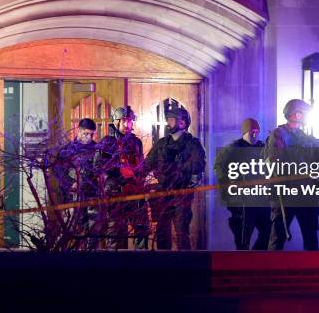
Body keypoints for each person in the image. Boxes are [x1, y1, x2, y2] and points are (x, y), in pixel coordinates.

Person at [263, 99, 319, 251]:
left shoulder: (306, 138)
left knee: (311, 237)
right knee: (278, 236)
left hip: (306, 194)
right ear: (297, 115)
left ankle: (312, 273)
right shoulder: (278, 135)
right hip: (286, 193)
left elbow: (317, 162)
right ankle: (272, 273)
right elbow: (276, 163)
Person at [145, 107, 205, 250]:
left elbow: (198, 165)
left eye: (171, 119)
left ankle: (184, 268)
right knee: (162, 233)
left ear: (182, 123)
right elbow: (147, 164)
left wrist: (179, 168)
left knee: (181, 232)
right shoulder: (161, 144)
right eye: (168, 119)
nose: (168, 122)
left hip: (181, 194)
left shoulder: (192, 144)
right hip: (162, 194)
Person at [214, 118, 271, 250]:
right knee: (243, 238)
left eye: (257, 132)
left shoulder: (262, 148)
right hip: (242, 201)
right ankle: (244, 264)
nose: (255, 135)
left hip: (261, 199)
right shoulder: (234, 149)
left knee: (267, 231)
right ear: (245, 132)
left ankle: (255, 260)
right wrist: (232, 182)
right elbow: (219, 167)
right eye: (252, 132)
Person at [97, 106, 149, 250]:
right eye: (124, 121)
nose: (127, 125)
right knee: (114, 233)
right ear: (116, 122)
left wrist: (140, 177)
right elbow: (98, 165)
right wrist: (119, 175)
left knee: (142, 229)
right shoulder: (107, 142)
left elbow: (141, 165)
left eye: (130, 121)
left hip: (135, 193)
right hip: (115, 194)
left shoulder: (136, 142)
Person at [58, 118, 100, 250]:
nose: (89, 137)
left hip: (92, 197)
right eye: (86, 134)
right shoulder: (68, 150)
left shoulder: (96, 149)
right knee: (72, 231)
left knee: (93, 232)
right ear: (79, 131)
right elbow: (58, 171)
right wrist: (70, 184)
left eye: (91, 134)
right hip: (73, 197)